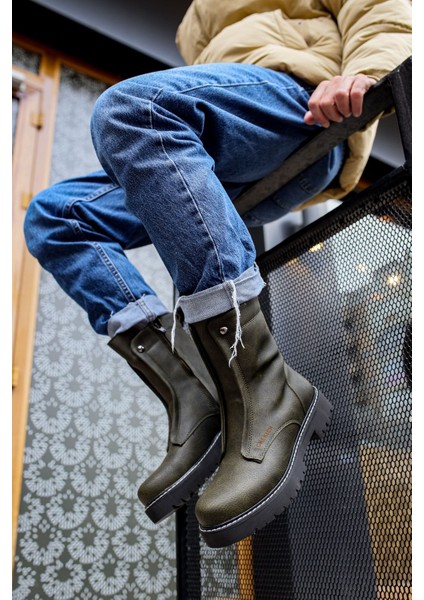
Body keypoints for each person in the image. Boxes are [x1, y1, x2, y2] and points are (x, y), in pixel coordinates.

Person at [24, 0, 412, 548]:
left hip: (301, 107)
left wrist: (365, 73)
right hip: (227, 141)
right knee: (55, 217)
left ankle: (268, 385)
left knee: (133, 109)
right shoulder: (195, 21)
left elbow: (382, 11)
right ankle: (192, 395)